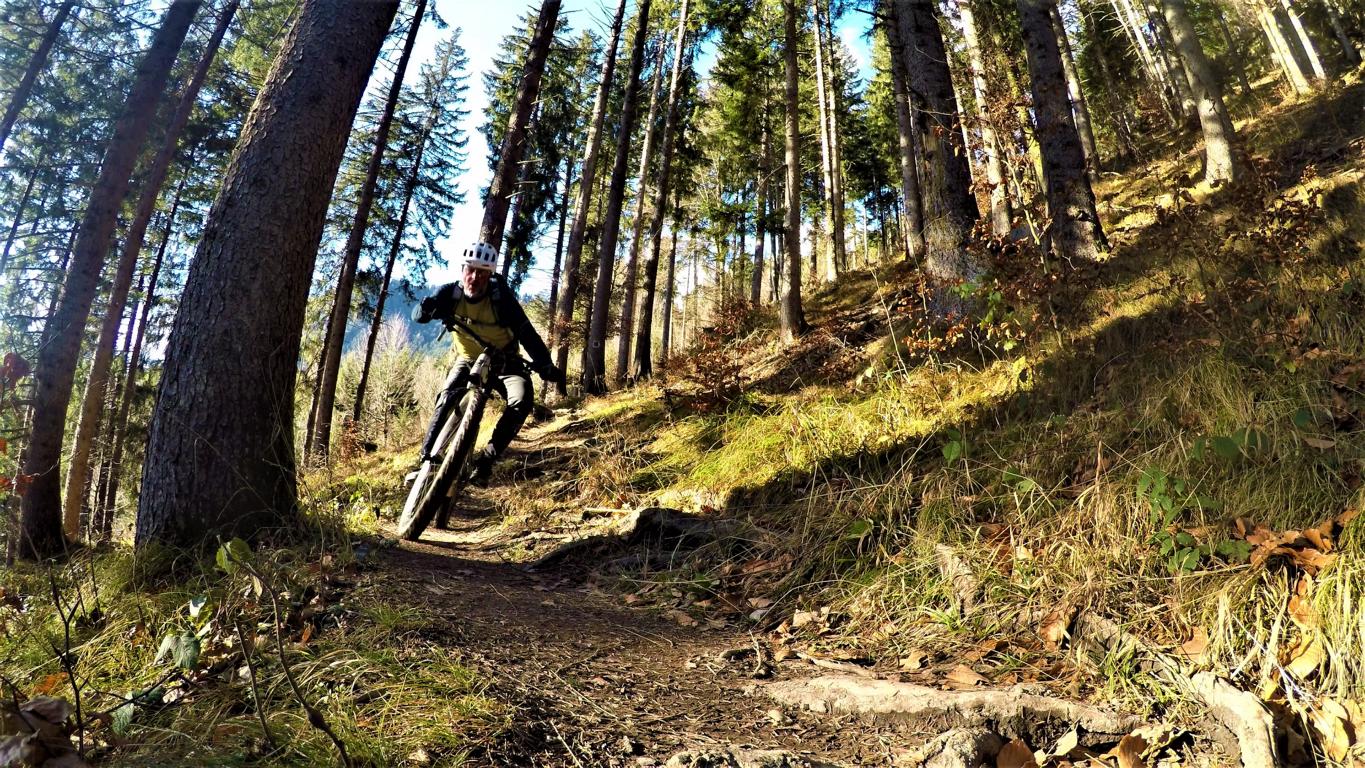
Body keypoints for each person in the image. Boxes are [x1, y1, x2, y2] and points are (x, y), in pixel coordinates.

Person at [412, 241, 564, 484]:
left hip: (506, 362)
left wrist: (545, 364)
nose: (474, 277)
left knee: (522, 399)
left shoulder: (501, 299)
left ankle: (486, 461)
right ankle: (426, 460)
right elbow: (419, 317)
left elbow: (527, 334)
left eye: (482, 273)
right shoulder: (450, 294)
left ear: (490, 275)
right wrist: (424, 310)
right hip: (468, 359)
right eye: (470, 270)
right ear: (462, 270)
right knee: (447, 396)